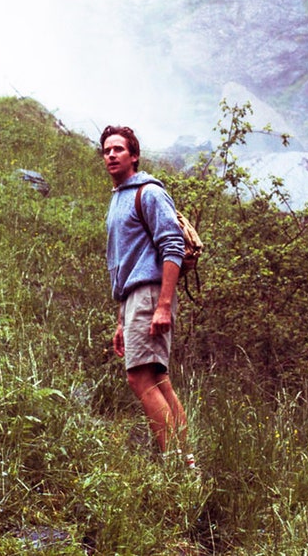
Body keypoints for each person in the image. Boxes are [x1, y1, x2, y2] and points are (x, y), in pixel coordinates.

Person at [101, 125, 195, 469]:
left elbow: (172, 247)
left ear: (134, 155)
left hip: (151, 294)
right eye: (107, 150)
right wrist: (121, 320)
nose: (111, 155)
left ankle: (173, 465)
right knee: (157, 379)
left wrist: (163, 306)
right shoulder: (118, 198)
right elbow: (126, 263)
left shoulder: (149, 193)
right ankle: (188, 465)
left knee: (139, 378)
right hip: (133, 298)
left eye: (119, 149)